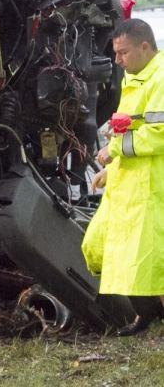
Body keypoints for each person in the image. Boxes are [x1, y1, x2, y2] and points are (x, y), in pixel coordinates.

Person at [83, 18, 164, 336]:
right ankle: (147, 313)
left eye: (123, 53)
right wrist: (110, 170)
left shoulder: (160, 80)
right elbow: (131, 129)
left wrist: (114, 153)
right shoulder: (137, 77)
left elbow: (157, 134)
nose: (117, 60)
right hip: (129, 186)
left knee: (151, 258)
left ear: (145, 47)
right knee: (106, 248)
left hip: (151, 188)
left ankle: (149, 315)